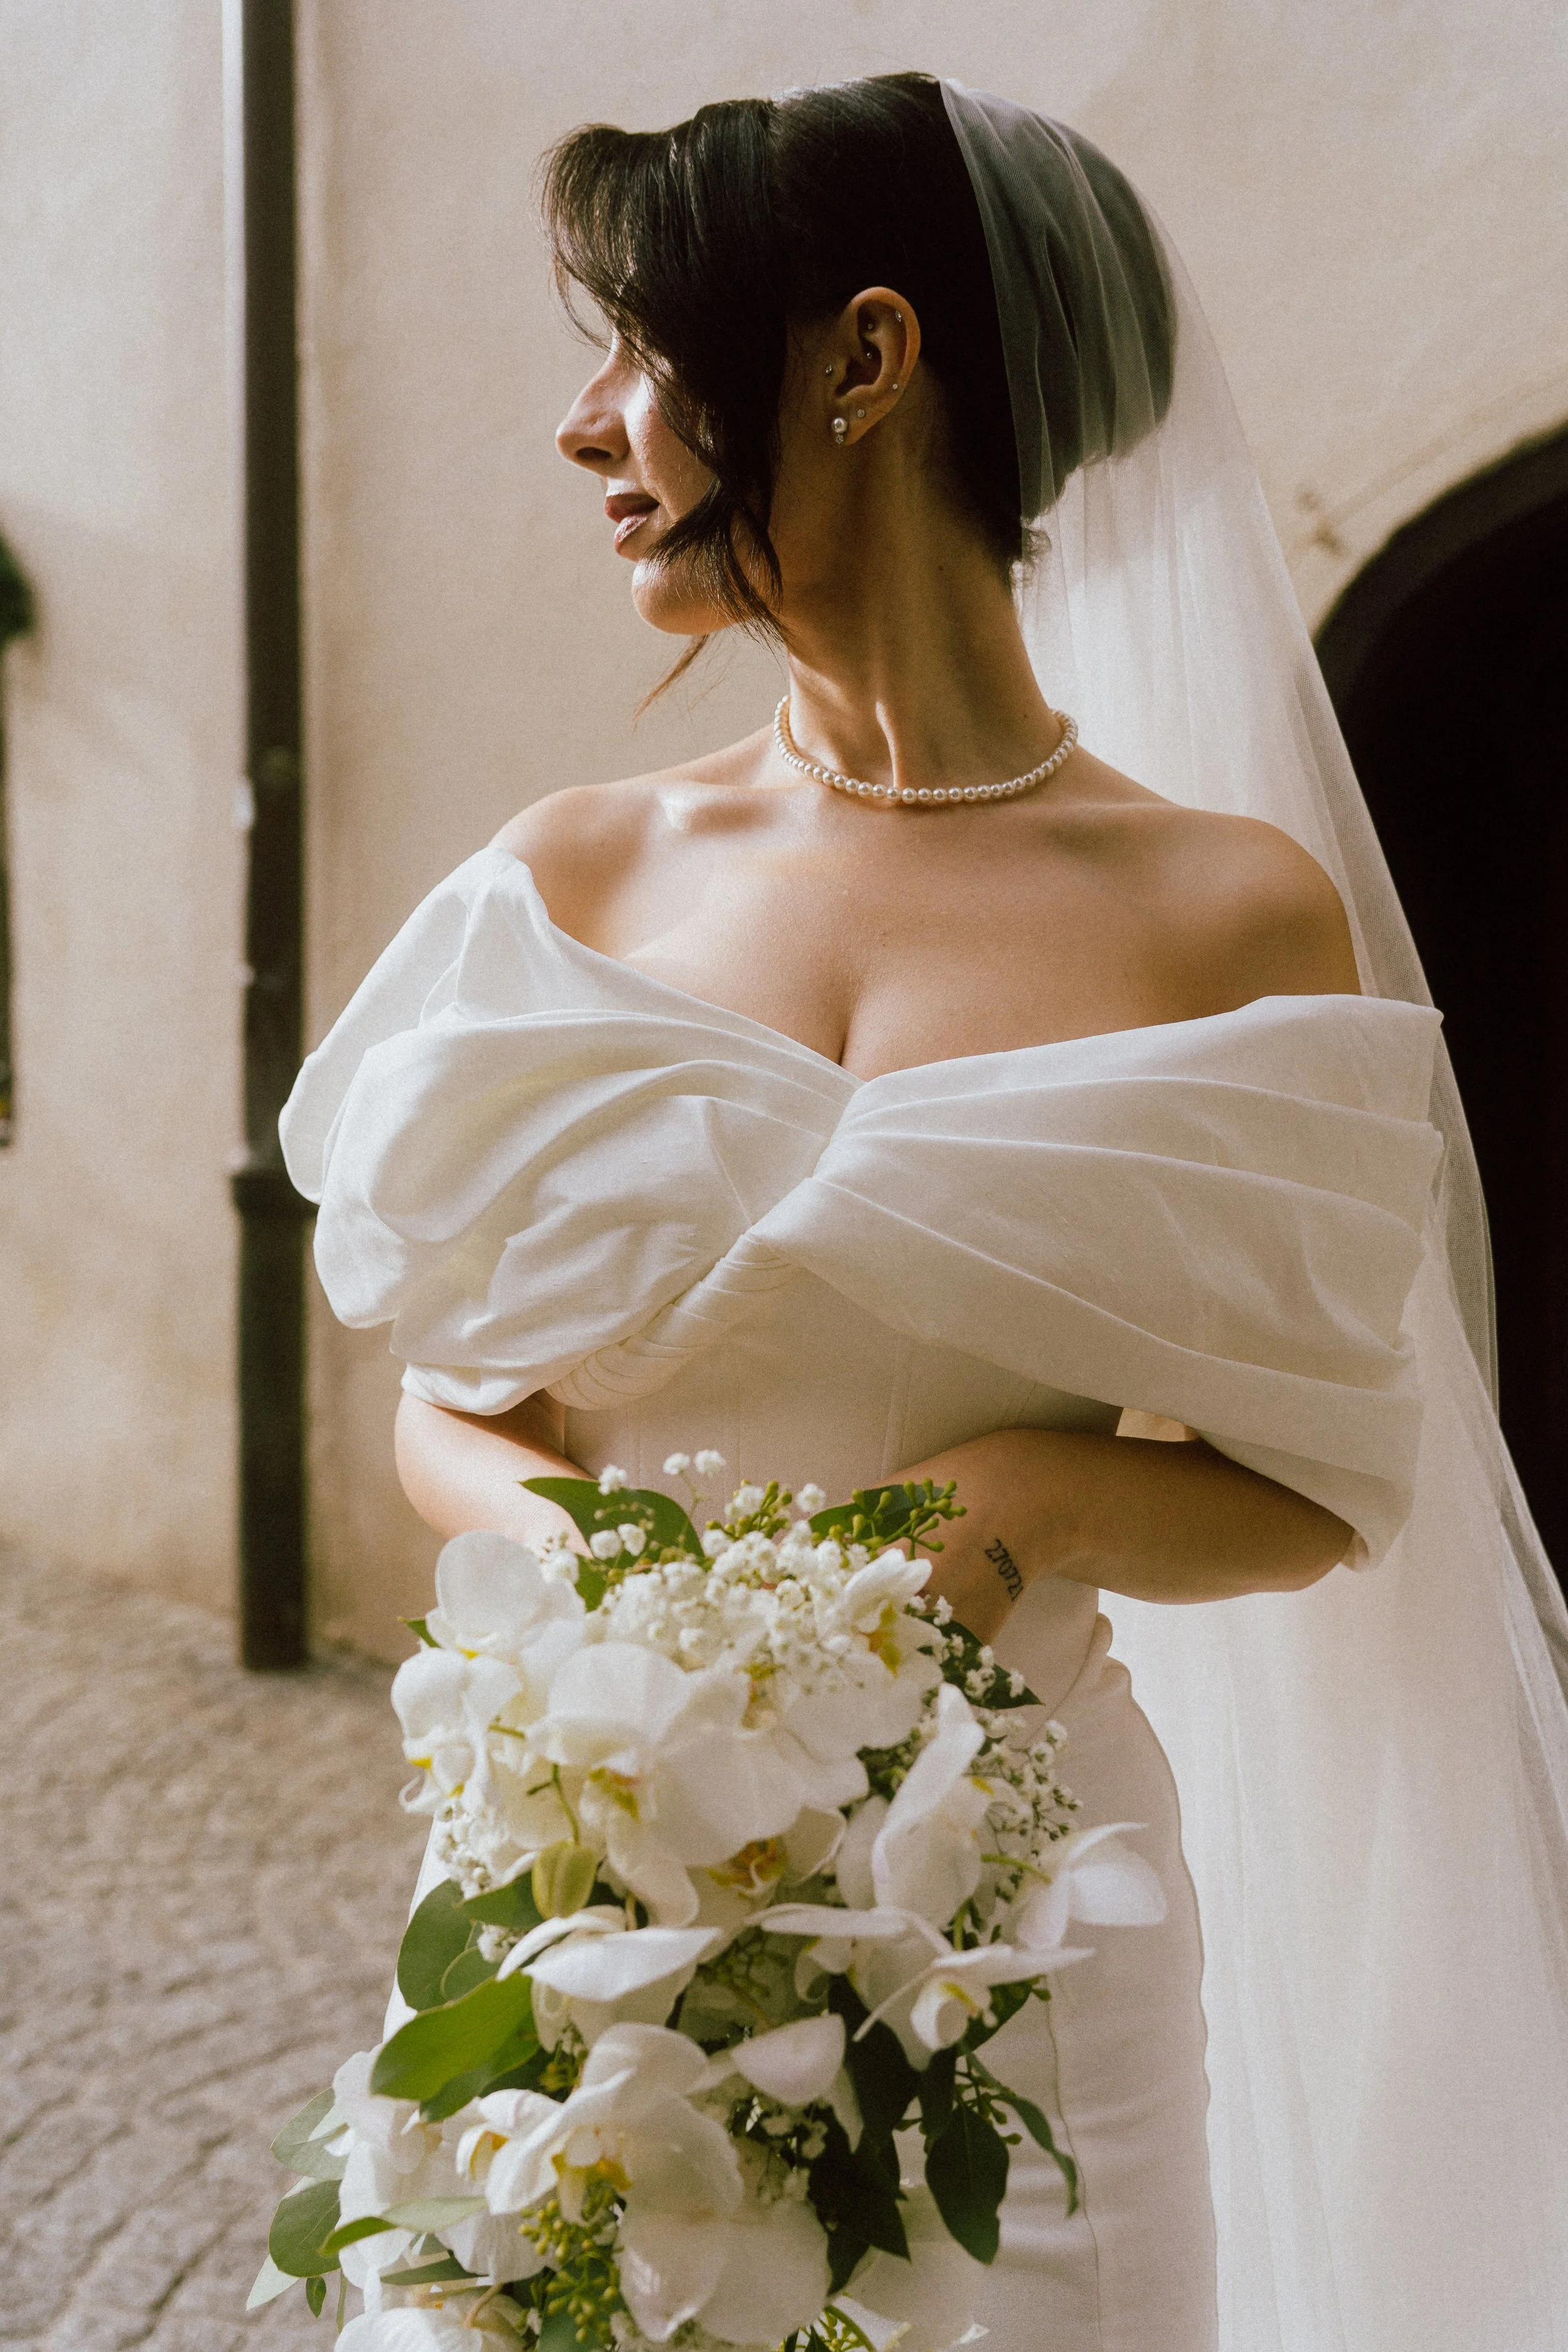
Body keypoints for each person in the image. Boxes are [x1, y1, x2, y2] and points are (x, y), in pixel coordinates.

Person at [281, 73, 1568, 2352]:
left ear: (864, 363)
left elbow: (1308, 1494)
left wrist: (1011, 1498)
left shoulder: (1223, 914)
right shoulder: (574, 877)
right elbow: (449, 1416)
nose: (589, 427)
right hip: (602, 1899)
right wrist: (616, 1593)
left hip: (1032, 1939)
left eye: (641, 349)